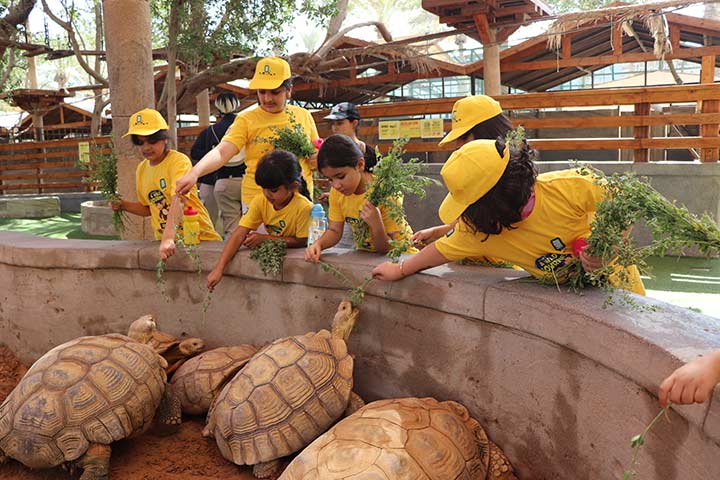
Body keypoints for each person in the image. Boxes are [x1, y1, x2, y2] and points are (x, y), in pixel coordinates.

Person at [371, 138, 646, 296]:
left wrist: (604, 248)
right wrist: (401, 269)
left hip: (619, 287)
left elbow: (622, 204)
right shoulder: (479, 229)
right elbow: (440, 251)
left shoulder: (570, 186)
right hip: (566, 295)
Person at [175, 56, 319, 214]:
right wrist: (194, 173)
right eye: (262, 92)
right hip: (258, 202)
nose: (267, 98)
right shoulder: (246, 119)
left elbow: (315, 154)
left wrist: (317, 159)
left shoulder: (303, 116)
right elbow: (222, 152)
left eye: (275, 92)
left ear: (289, 90)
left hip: (299, 201)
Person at [111, 108, 221, 259]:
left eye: (152, 141)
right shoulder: (142, 169)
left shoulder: (178, 162)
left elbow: (179, 199)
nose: (146, 147)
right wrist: (122, 205)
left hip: (199, 240)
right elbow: (149, 208)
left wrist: (168, 238)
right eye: (140, 142)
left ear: (165, 139)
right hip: (169, 247)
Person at [413, 94, 513, 247]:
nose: (457, 145)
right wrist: (437, 233)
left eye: (464, 137)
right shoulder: (480, 169)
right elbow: (475, 224)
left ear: (485, 132)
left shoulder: (513, 179)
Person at [207, 150, 313, 289]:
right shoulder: (260, 201)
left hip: (299, 271)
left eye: (274, 190)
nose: (267, 194)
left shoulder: (304, 207)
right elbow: (239, 234)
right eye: (264, 188)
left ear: (293, 186)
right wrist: (219, 268)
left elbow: (302, 240)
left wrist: (266, 239)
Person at [304, 134, 416, 263]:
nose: (336, 185)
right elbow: (334, 230)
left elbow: (386, 248)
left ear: (360, 164)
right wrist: (318, 244)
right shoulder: (337, 192)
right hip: (368, 258)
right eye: (330, 179)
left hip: (401, 258)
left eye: (340, 176)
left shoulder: (385, 191)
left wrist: (376, 224)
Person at [190, 92, 246, 235]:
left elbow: (195, 153)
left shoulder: (210, 131)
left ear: (217, 108)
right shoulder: (246, 125)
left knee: (225, 225)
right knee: (250, 223)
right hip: (247, 180)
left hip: (220, 182)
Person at [324, 102, 378, 170]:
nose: (334, 127)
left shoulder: (370, 154)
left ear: (354, 123)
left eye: (339, 123)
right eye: (332, 124)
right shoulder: (328, 153)